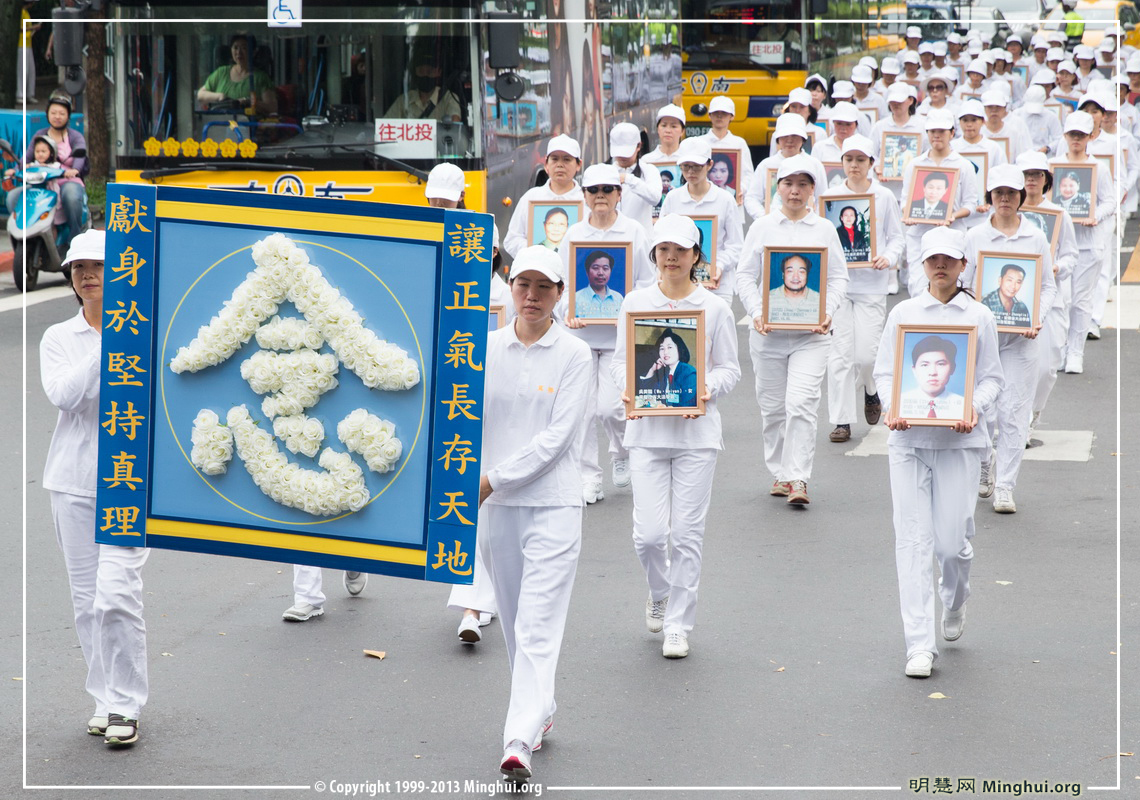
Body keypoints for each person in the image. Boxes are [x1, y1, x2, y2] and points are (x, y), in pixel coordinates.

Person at [872, 227, 1004, 679]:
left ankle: (955, 598)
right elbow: (885, 372)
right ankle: (918, 645)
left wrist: (973, 407)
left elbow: (992, 378)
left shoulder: (979, 316)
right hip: (908, 442)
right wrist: (892, 407)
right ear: (922, 264)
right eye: (933, 259)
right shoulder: (904, 313)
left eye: (949, 259)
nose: (941, 266)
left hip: (960, 443)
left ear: (964, 265)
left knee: (951, 545)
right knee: (912, 542)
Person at [481, 246, 591, 781]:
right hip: (495, 509)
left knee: (537, 625)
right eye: (523, 284)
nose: (531, 296)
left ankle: (518, 739)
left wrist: (490, 479)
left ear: (559, 294)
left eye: (543, 287)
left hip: (553, 504)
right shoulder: (482, 348)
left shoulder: (574, 354)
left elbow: (557, 439)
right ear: (509, 286)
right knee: (514, 626)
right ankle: (539, 707)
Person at [611, 214, 741, 659]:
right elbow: (620, 363)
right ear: (654, 254)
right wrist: (629, 387)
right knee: (648, 537)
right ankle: (659, 591)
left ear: (695, 256)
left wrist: (707, 389)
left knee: (686, 534)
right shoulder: (635, 303)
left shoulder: (715, 308)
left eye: (681, 250)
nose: (671, 257)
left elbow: (729, 368)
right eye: (664, 249)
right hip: (646, 434)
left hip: (696, 437)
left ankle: (678, 625)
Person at [40, 229, 150, 746]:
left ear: (122, 273)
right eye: (78, 268)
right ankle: (105, 698)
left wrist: (127, 332)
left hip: (129, 481)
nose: (86, 275)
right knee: (87, 603)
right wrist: (110, 342)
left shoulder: (147, 332)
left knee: (116, 594)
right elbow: (65, 396)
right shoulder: (59, 337)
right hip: (72, 482)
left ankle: (127, 704)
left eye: (98, 266)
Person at [736, 155, 849, 506]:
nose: (795, 191)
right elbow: (745, 276)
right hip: (768, 334)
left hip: (811, 336)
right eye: (788, 184)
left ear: (813, 189)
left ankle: (797, 477)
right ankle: (780, 472)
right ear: (778, 187)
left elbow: (838, 278)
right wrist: (757, 312)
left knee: (801, 403)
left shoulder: (824, 229)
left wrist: (827, 311)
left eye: (802, 184)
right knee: (772, 409)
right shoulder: (762, 227)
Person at [557, 163, 655, 504]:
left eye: (607, 190)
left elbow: (646, 282)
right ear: (584, 195)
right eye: (594, 190)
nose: (600, 196)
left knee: (612, 408)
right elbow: (562, 283)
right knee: (582, 412)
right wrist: (567, 313)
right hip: (580, 339)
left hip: (618, 340)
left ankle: (621, 451)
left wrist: (628, 314)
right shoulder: (573, 235)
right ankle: (589, 477)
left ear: (619, 194)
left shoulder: (634, 232)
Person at [963, 164, 1056, 513]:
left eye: (1011, 193)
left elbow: (1046, 287)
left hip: (1021, 340)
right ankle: (985, 462)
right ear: (990, 196)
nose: (1005, 198)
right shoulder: (974, 236)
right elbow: (963, 285)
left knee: (1014, 412)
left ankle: (1005, 485)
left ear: (1021, 197)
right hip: (983, 341)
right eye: (998, 192)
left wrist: (1036, 318)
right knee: (982, 410)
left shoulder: (1035, 237)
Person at [822, 135, 905, 442]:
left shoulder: (883, 197)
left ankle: (872, 389)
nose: (854, 165)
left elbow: (896, 237)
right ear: (842, 162)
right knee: (840, 356)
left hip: (871, 285)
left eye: (860, 160)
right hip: (838, 286)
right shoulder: (831, 198)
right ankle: (841, 420)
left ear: (871, 163)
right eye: (849, 159)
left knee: (866, 355)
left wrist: (889, 258)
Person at [900, 109, 979, 298]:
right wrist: (909, 214)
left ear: (952, 133)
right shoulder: (915, 165)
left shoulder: (963, 165)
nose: (936, 135)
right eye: (932, 131)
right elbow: (905, 200)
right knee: (919, 289)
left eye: (942, 131)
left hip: (953, 235)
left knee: (952, 289)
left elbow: (970, 204)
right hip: (919, 235)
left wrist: (952, 216)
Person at [660, 137, 743, 305]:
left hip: (717, 285)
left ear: (709, 165)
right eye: (686, 166)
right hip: (678, 284)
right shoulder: (672, 198)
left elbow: (736, 245)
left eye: (697, 166)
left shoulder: (725, 199)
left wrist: (719, 265)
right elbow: (661, 239)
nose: (691, 172)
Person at [6, 93, 89, 250]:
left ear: (68, 116)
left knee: (71, 196)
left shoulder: (75, 136)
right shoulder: (40, 135)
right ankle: (29, 237)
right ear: (47, 114)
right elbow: (26, 159)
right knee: (13, 198)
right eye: (53, 112)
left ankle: (74, 239)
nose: (57, 117)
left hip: (67, 181)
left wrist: (74, 170)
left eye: (62, 113)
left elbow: (80, 157)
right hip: (42, 183)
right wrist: (16, 170)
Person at [503, 135, 583, 258]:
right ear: (546, 164)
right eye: (554, 159)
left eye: (567, 160)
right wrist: (534, 251)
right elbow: (511, 240)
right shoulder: (531, 198)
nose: (560, 165)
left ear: (578, 164)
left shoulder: (585, 200)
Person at [196, 34, 278, 115]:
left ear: (254, 52)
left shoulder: (261, 78)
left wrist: (251, 102)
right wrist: (220, 96)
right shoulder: (221, 72)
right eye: (235, 48)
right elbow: (200, 95)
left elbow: (272, 107)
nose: (239, 52)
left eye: (244, 48)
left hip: (248, 121)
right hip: (220, 121)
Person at [609, 122, 662, 236]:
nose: (622, 157)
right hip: (612, 237)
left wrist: (629, 179)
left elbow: (655, 198)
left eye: (626, 153)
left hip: (641, 237)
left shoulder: (649, 170)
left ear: (639, 146)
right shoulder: (606, 172)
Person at [897, 335, 966, 419]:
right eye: (924, 365)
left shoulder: (964, 407)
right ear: (914, 370)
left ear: (952, 369)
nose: (932, 372)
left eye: (940, 364)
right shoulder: (899, 404)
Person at [382, 52, 462, 123]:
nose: (425, 75)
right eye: (421, 71)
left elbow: (455, 126)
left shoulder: (449, 99)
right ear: (415, 72)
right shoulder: (404, 100)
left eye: (430, 71)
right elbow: (384, 125)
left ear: (439, 72)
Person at [635, 328, 698, 408]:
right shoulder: (664, 371)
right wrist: (652, 370)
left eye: (670, 347)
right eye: (662, 348)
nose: (665, 352)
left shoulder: (688, 373)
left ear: (679, 349)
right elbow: (645, 393)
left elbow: (687, 404)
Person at [766, 253, 821, 324]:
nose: (795, 277)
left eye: (801, 272)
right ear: (783, 275)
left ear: (807, 275)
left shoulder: (820, 300)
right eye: (790, 271)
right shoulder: (768, 298)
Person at [574, 249, 624, 318]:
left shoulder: (618, 298)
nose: (600, 273)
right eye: (595, 268)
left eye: (605, 268)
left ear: (610, 271)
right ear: (587, 272)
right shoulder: (576, 298)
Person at [17, 1, 40, 103]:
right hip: (21, 44)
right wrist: (33, 27)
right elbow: (19, 28)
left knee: (31, 70)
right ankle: (20, 94)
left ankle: (29, 94)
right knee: (22, 70)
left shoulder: (26, 13)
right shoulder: (20, 12)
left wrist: (32, 31)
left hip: (28, 43)